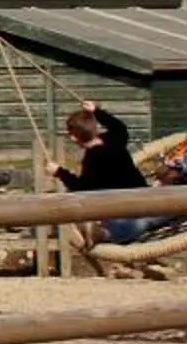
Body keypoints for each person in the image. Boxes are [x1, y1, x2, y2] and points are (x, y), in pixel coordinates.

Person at [50, 101, 161, 246]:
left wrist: (59, 172)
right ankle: (101, 230)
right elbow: (120, 127)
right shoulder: (113, 139)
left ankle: (103, 234)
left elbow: (82, 187)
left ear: (73, 137)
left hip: (120, 204)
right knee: (157, 217)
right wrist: (97, 111)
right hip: (141, 193)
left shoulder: (93, 159)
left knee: (137, 223)